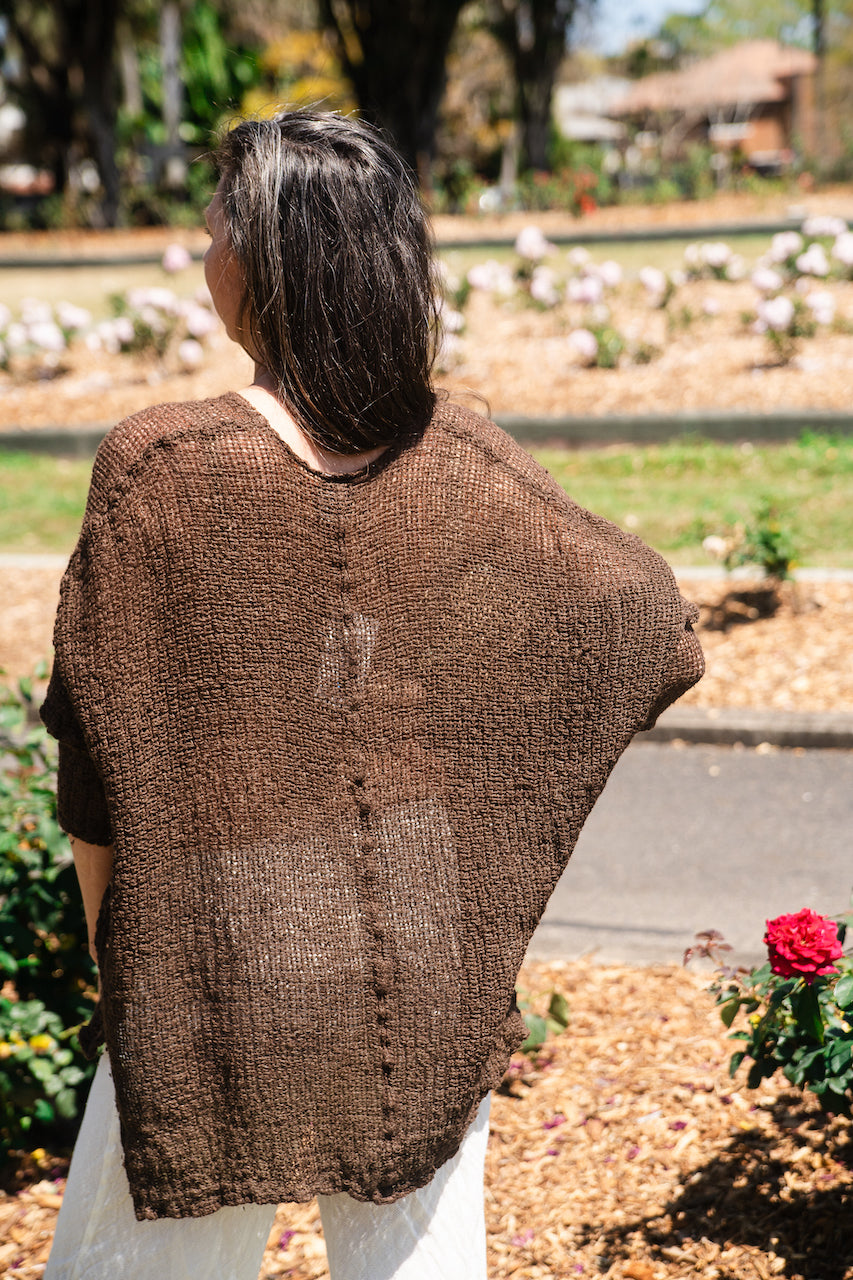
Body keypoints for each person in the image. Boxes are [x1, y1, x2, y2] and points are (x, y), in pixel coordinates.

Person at [40, 110, 704, 1280]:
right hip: (419, 916)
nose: (203, 255)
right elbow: (642, 609)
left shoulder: (159, 465)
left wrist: (120, 947)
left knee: (145, 1257)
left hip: (220, 931)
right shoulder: (458, 453)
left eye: (214, 233)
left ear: (266, 261)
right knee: (420, 1257)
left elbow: (99, 756)